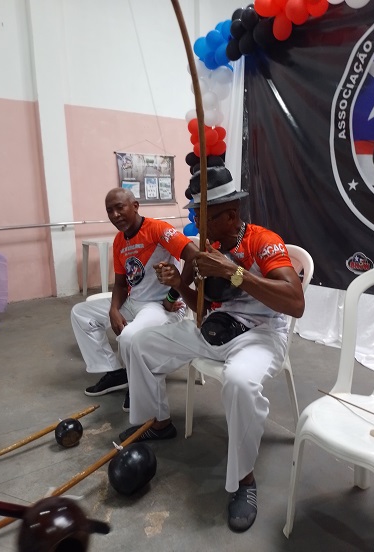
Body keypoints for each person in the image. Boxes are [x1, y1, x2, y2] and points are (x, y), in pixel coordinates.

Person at [118, 166, 305, 532]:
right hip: (214, 327)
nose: (196, 226)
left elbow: (295, 303)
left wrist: (234, 273)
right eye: (194, 216)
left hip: (260, 333)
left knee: (239, 381)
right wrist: (179, 283)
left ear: (230, 216)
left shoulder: (263, 241)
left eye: (202, 218)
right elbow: (200, 307)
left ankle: (244, 481)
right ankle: (158, 422)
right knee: (137, 342)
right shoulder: (209, 249)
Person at [71, 188, 198, 410]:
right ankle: (115, 372)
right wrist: (114, 309)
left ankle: (139, 386)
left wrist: (172, 296)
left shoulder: (158, 229)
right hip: (134, 302)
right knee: (80, 314)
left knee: (129, 337)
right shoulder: (119, 240)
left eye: (120, 207)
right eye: (110, 211)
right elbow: (121, 284)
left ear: (135, 206)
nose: (115, 215)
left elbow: (194, 256)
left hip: (160, 307)